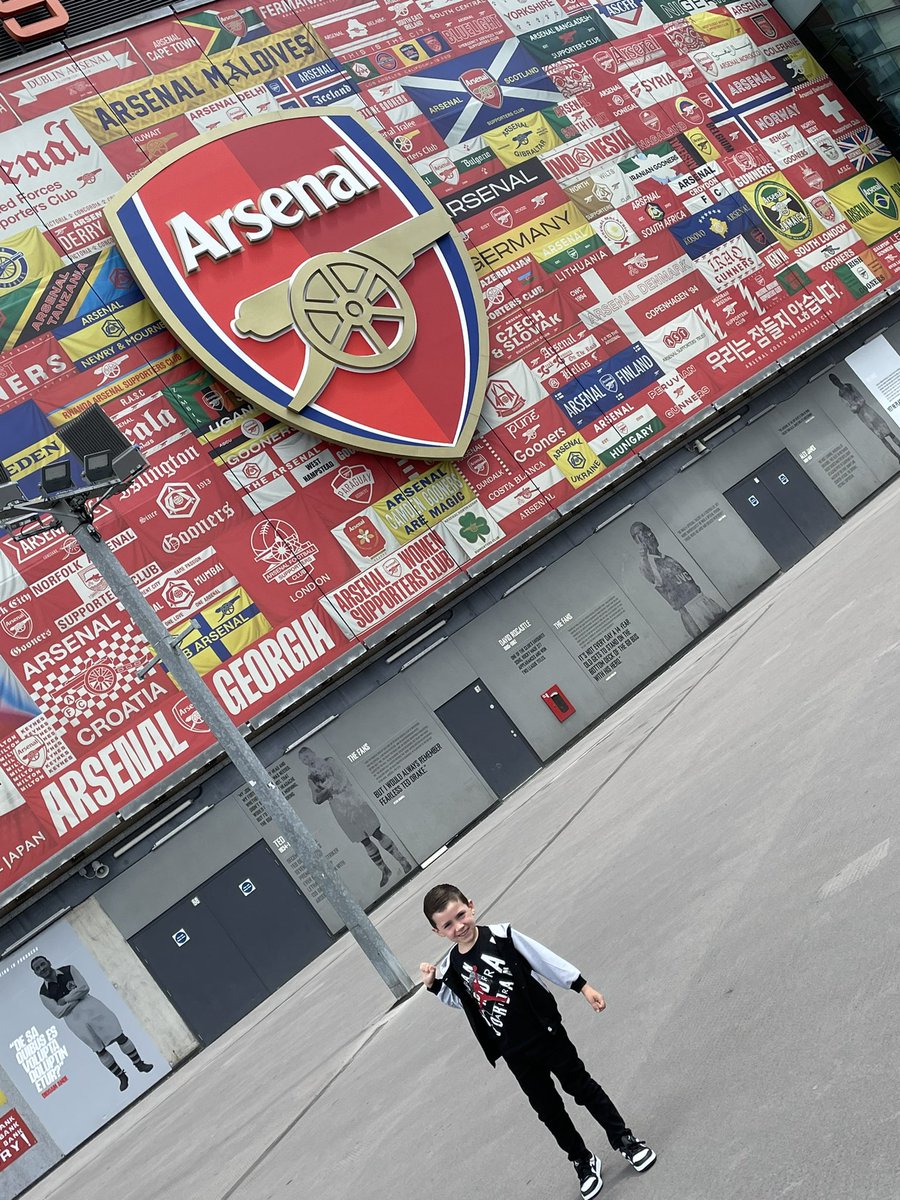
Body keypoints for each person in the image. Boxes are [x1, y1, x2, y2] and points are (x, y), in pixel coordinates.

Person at [419, 884, 655, 1198]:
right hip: (514, 1052)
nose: (458, 926)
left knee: (581, 1087)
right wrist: (435, 985)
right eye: (447, 925)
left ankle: (624, 1139)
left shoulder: (503, 937)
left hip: (546, 1033)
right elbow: (465, 1001)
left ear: (471, 907)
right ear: (438, 931)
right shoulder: (452, 967)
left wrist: (582, 986)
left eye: (460, 915)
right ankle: (582, 1160)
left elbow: (545, 960)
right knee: (548, 1110)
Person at [30, 956, 153, 1091]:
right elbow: (58, 1013)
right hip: (75, 1021)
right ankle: (121, 1077)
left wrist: (65, 999)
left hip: (93, 1008)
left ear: (48, 962)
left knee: (119, 1036)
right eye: (38, 968)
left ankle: (139, 1064)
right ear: (36, 974)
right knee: (99, 1050)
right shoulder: (44, 993)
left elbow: (84, 988)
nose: (42, 969)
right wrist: (75, 998)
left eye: (42, 964)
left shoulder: (68, 970)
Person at [298, 745, 413, 887]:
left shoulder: (329, 761)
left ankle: (402, 860)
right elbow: (316, 799)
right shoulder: (311, 777)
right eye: (303, 759)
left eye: (308, 756)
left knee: (376, 832)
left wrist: (331, 789)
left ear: (314, 753)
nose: (307, 760)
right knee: (364, 840)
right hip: (340, 810)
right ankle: (385, 870)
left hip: (354, 802)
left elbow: (342, 779)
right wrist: (327, 791)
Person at [630, 521, 725, 638]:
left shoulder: (667, 558)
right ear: (638, 540)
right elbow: (646, 571)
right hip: (691, 610)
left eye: (649, 531)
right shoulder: (648, 564)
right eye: (644, 534)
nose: (650, 535)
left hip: (703, 599)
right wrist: (643, 556)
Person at [829, 373, 900, 462]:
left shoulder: (849, 386)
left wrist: (856, 404)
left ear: (838, 377)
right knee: (881, 437)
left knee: (888, 431)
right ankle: (897, 456)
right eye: (833, 381)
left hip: (869, 410)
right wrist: (856, 404)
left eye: (835, 378)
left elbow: (861, 398)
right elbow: (851, 409)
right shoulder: (840, 394)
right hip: (862, 416)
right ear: (833, 383)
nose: (836, 381)